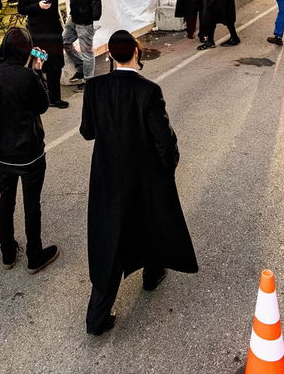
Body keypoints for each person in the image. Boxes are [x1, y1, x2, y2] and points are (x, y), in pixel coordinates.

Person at [79, 31, 198, 335]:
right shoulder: (149, 91)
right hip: (143, 173)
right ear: (136, 52)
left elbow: (88, 132)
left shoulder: (94, 88)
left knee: (109, 235)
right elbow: (163, 138)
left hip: (107, 174)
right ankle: (152, 274)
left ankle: (98, 314)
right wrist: (169, 164)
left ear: (110, 57)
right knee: (150, 222)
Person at [0, 27, 59, 273]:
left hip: (1, 152)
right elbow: (42, 105)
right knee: (32, 204)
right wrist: (38, 71)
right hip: (29, 152)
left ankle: (7, 252)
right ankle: (34, 254)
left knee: (5, 200)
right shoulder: (27, 76)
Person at [17, 0, 70, 108]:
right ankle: (37, 96)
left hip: (54, 33)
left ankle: (55, 98)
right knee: (38, 64)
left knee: (56, 64)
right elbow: (21, 9)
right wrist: (37, 6)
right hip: (38, 35)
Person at [60, 0, 103, 86]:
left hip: (84, 21)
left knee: (87, 52)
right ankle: (80, 66)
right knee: (65, 41)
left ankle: (88, 80)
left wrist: (94, 16)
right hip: (74, 18)